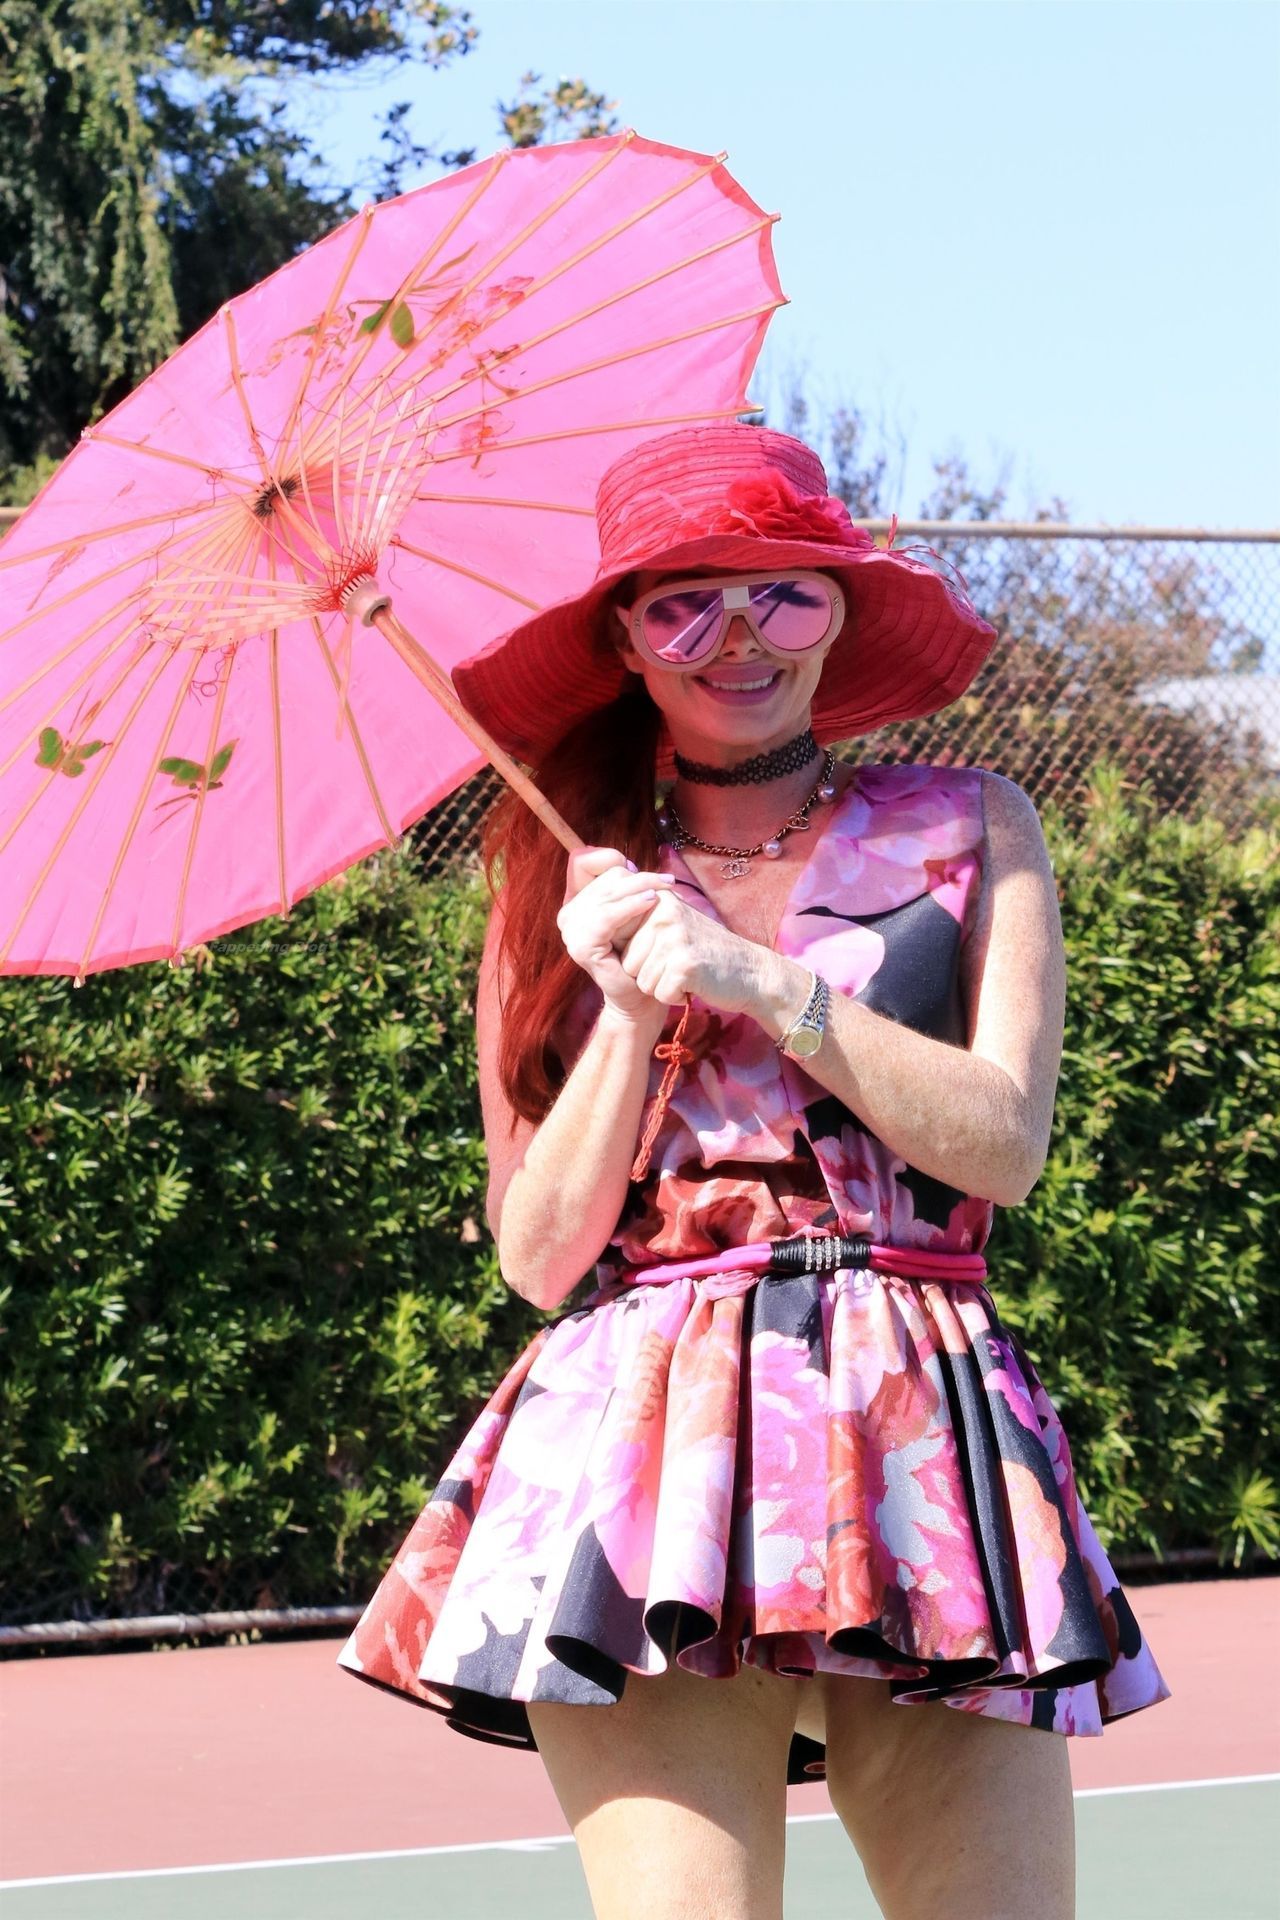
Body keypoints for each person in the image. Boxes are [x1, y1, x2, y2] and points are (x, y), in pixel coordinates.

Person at [338, 425, 1170, 1920]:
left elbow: (1003, 1143)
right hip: (646, 1441)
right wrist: (630, 1011)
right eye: (684, 608)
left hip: (924, 1416)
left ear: (841, 614)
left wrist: (766, 982)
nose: (739, 638)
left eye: (782, 594)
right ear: (625, 641)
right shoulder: (555, 888)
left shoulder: (971, 826)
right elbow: (539, 1256)